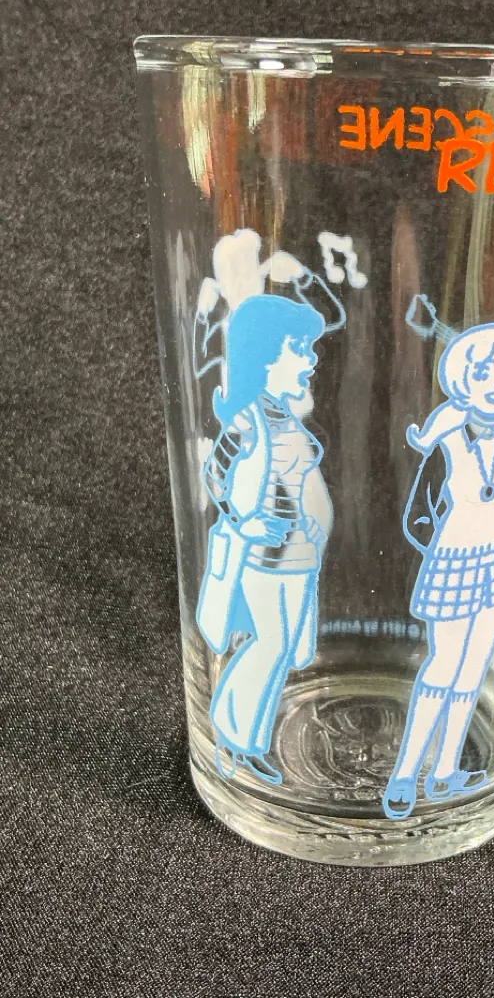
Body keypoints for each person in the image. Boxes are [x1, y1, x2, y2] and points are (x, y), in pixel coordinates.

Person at [383, 322, 494, 819]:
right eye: (485, 374)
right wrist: (448, 547)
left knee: (476, 667)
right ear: (464, 382)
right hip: (455, 560)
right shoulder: (448, 438)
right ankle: (406, 775)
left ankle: (445, 769)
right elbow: (419, 513)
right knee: (443, 664)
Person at [196, 291, 333, 785]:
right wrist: (242, 521)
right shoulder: (247, 420)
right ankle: (236, 739)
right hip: (264, 558)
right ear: (265, 354)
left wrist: (316, 525)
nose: (311, 359)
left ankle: (245, 739)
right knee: (270, 645)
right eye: (299, 347)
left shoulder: (284, 417)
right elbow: (214, 475)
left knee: (288, 648)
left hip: (300, 558)